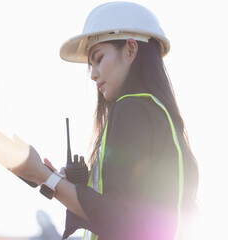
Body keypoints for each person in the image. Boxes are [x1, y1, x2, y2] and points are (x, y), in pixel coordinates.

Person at [11, 2, 199, 240]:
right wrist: (67, 184)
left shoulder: (131, 109)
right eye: (91, 65)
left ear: (130, 50)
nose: (93, 74)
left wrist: (41, 174)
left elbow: (118, 219)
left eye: (98, 59)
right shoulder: (157, 114)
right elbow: (131, 214)